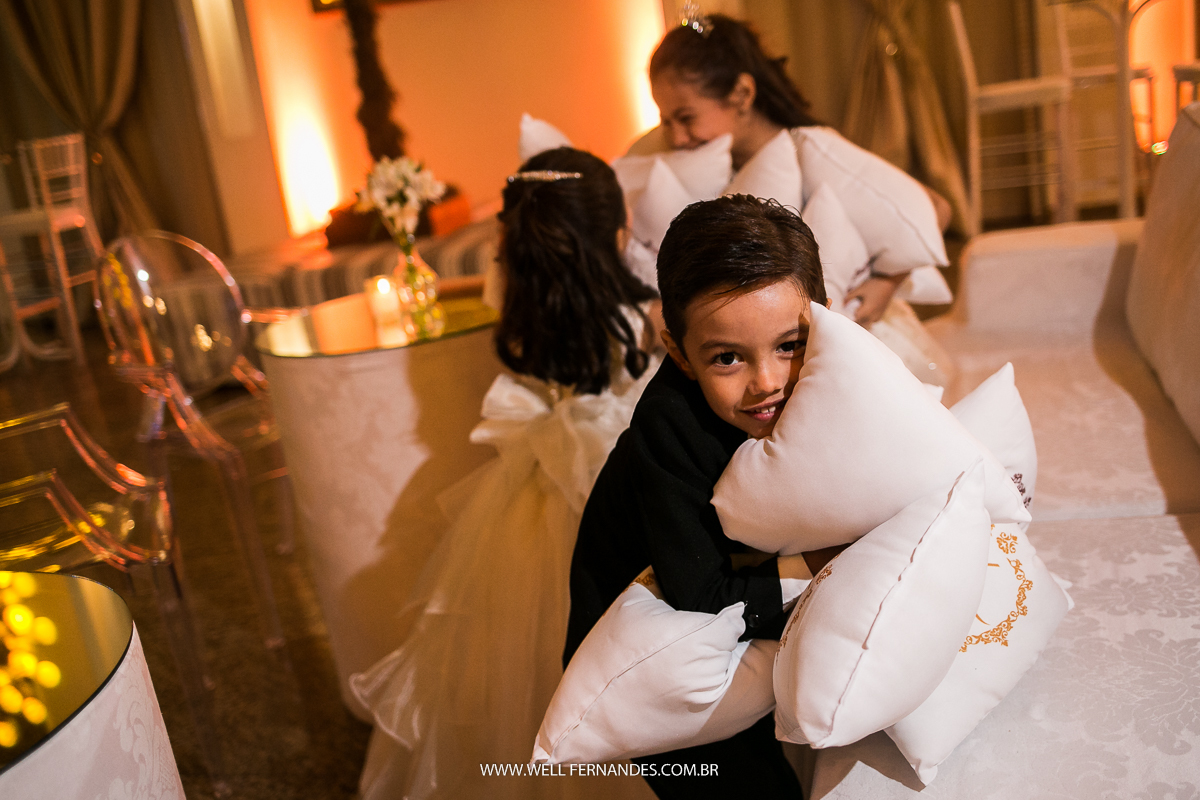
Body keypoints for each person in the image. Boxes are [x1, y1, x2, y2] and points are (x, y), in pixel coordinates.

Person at [350, 147, 661, 800]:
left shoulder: (518, 302)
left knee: (523, 667)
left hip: (529, 496)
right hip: (612, 484)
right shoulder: (640, 317)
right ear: (616, 233)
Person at [566, 195, 844, 799]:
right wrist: (817, 566)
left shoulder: (834, 367)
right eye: (727, 358)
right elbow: (701, 598)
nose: (766, 380)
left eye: (788, 345)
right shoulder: (665, 434)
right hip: (653, 663)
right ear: (679, 353)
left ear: (825, 317)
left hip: (735, 601)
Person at [636, 12, 954, 327]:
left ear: (742, 95)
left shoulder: (809, 150)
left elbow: (935, 209)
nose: (675, 137)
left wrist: (888, 282)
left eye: (687, 117)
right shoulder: (681, 163)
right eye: (666, 121)